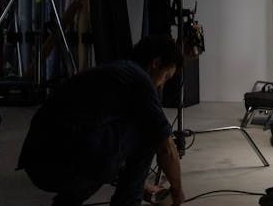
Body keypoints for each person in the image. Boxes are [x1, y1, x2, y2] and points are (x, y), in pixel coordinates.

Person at [17, 35, 186, 205]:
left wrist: (140, 184)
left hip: (39, 161)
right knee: (149, 132)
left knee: (122, 133)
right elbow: (166, 148)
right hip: (60, 162)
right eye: (165, 77)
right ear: (156, 63)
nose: (161, 85)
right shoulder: (139, 80)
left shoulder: (118, 72)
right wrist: (177, 192)